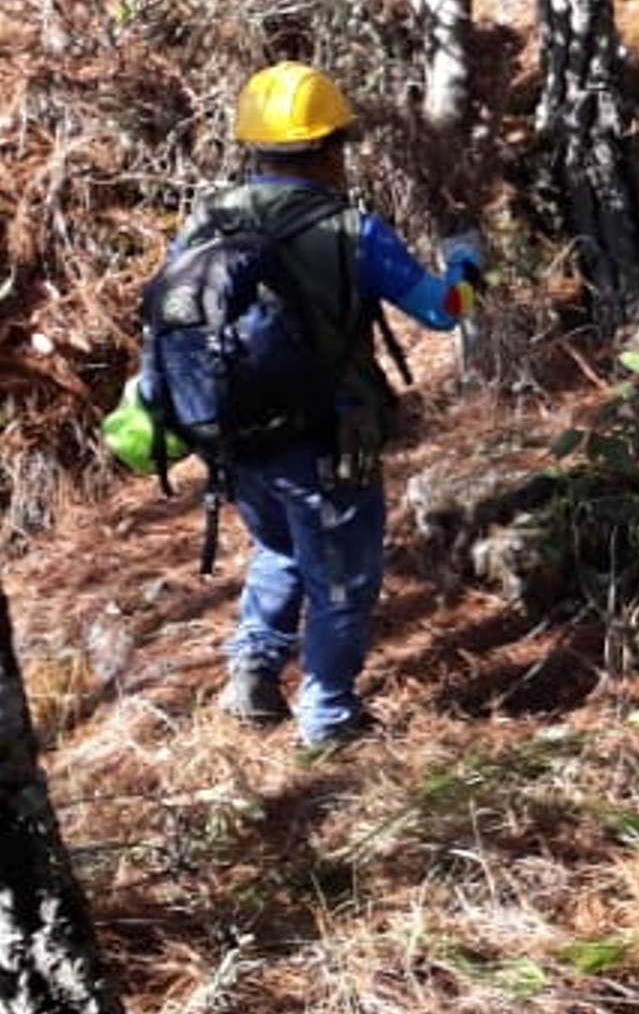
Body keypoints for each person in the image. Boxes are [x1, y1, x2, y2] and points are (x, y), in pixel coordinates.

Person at [182, 63, 485, 748]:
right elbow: (442, 312)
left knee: (279, 547)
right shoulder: (353, 230)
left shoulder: (207, 220)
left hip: (232, 437)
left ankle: (253, 673)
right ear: (328, 147)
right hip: (326, 438)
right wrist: (466, 265)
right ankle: (328, 718)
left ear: (254, 147)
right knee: (343, 578)